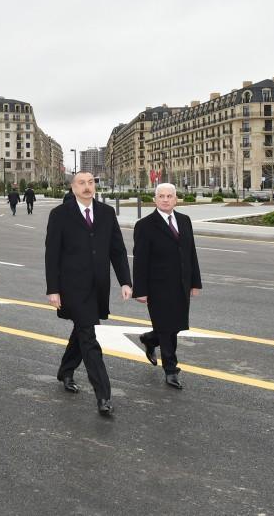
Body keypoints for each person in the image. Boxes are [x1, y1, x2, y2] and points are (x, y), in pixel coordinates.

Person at [45, 171, 132, 415]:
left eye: (90, 182)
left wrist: (125, 281)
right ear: (72, 187)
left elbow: (117, 250)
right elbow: (52, 255)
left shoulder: (106, 213)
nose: (87, 187)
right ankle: (103, 395)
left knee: (82, 330)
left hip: (99, 286)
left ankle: (65, 370)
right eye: (81, 183)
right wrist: (53, 289)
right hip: (72, 286)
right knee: (88, 337)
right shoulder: (60, 215)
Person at [132, 182, 202, 389]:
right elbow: (140, 260)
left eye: (169, 196)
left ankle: (149, 339)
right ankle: (171, 370)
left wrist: (195, 282)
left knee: (176, 326)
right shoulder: (145, 225)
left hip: (181, 284)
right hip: (157, 287)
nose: (165, 199)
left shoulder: (185, 220)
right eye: (161, 196)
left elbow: (191, 253)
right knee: (166, 327)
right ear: (154, 199)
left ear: (176, 199)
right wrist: (141, 290)